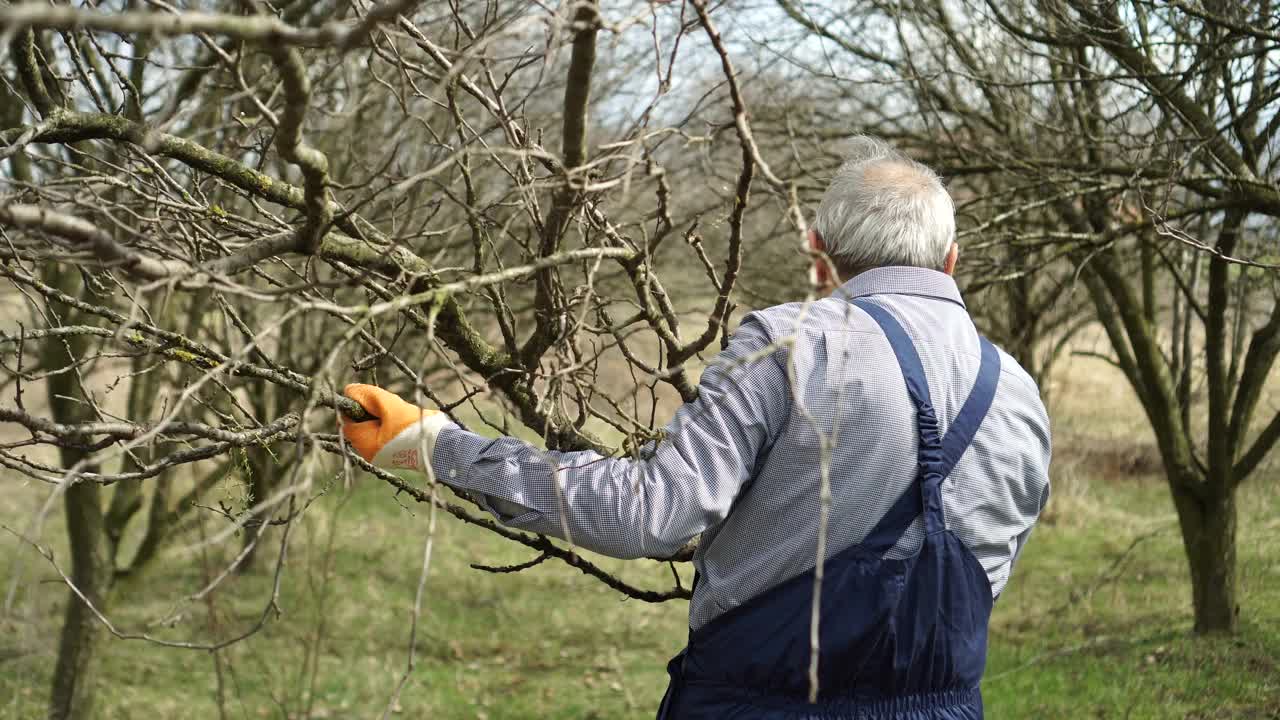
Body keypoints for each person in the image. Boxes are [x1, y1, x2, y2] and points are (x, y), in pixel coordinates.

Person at [340, 136, 1051, 719]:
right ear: (952, 261)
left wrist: (437, 445)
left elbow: (652, 513)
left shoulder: (791, 344)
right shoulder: (1020, 396)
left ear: (817, 249)